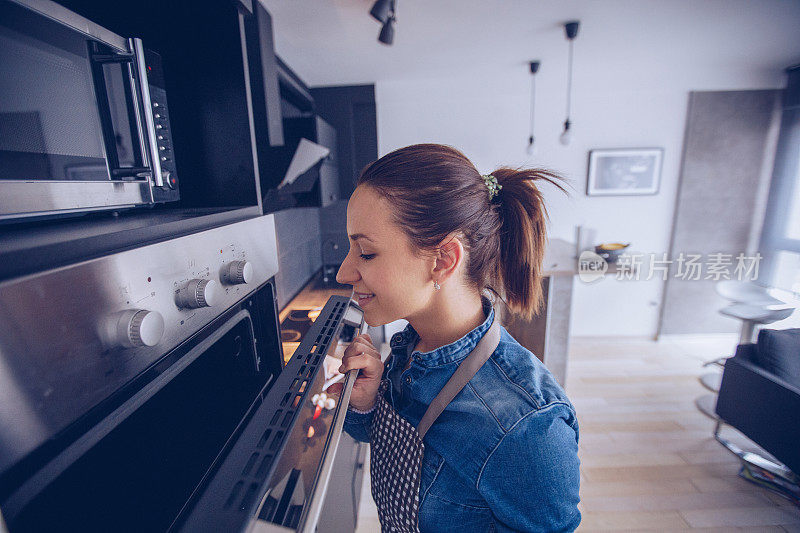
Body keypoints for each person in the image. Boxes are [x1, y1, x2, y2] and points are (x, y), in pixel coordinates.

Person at [332, 144, 580, 532]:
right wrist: (366, 406)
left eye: (365, 253)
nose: (343, 272)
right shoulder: (411, 346)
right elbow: (404, 454)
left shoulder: (525, 429)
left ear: (443, 260)